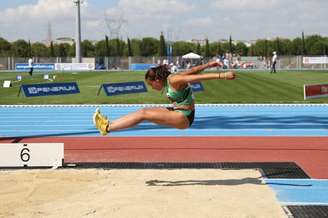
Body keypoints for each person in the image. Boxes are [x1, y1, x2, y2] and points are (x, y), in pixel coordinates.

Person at [93, 60, 236, 136]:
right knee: (142, 111)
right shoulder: (171, 78)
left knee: (143, 114)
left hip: (184, 117)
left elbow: (197, 77)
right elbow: (193, 70)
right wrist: (209, 64)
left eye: (151, 85)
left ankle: (106, 128)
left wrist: (222, 75)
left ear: (157, 80)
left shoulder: (173, 80)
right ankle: (108, 124)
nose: (152, 88)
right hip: (179, 112)